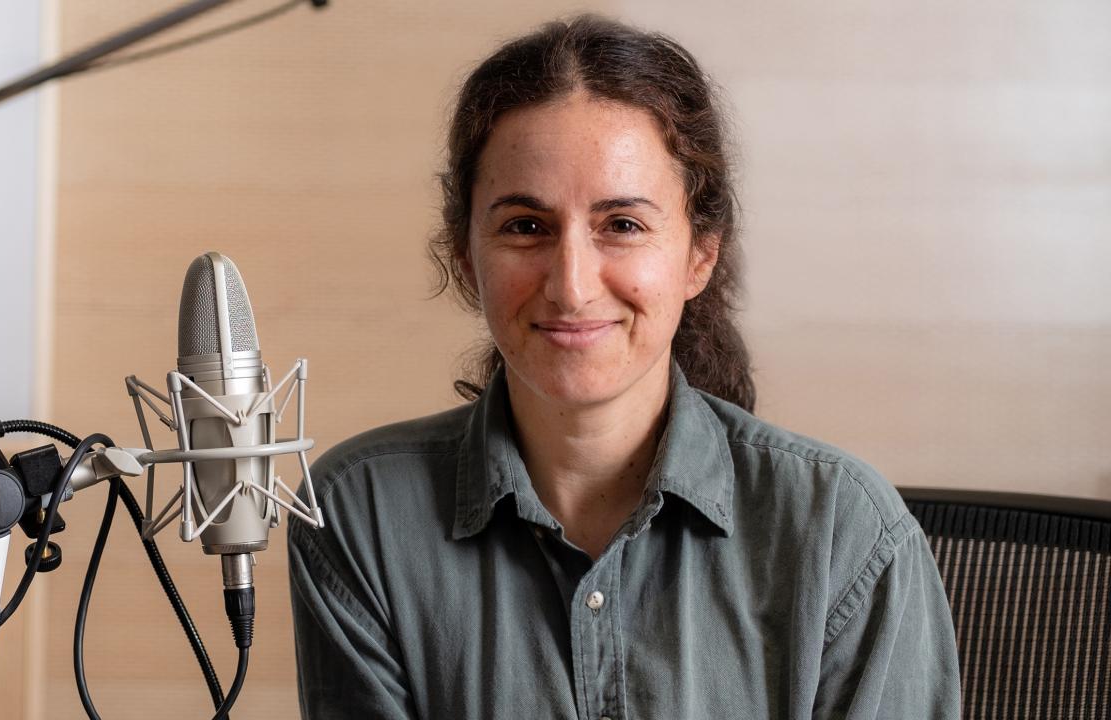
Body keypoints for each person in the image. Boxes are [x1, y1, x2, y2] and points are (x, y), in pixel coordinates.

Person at [287, 14, 960, 719]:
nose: (571, 285)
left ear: (700, 255)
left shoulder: (845, 534)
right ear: (465, 255)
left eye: (623, 225)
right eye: (525, 226)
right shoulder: (357, 516)